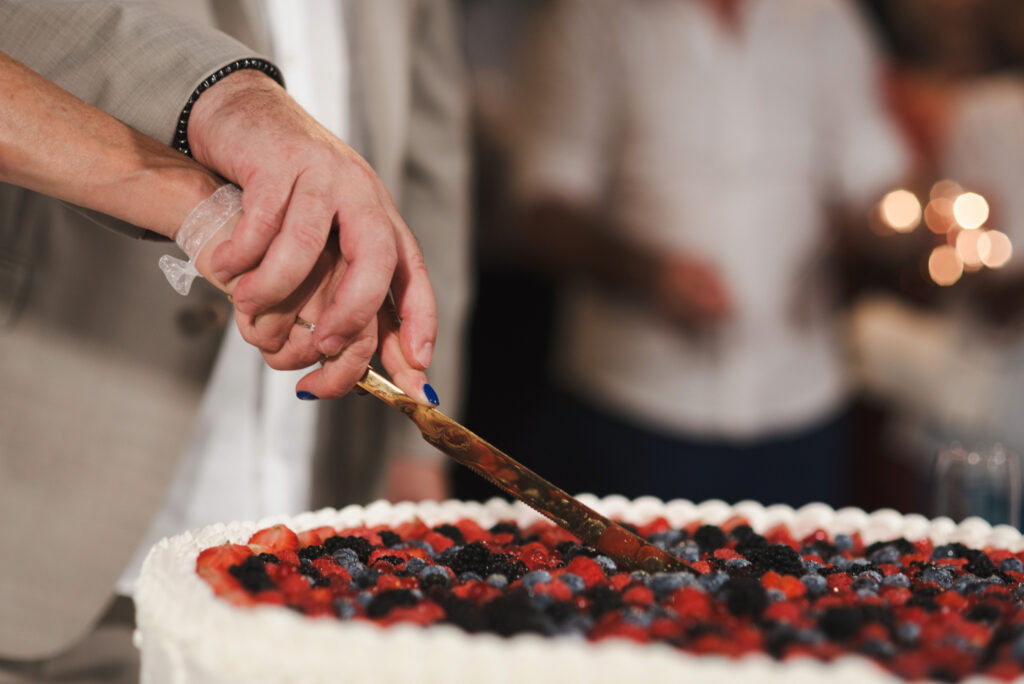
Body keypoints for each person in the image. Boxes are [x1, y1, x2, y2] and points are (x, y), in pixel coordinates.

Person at [0, 0, 461, 677]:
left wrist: (410, 439)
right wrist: (225, 105)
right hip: (50, 494)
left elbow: (431, 163)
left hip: (312, 524)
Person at [511, 0, 909, 507]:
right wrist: (647, 273)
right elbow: (542, 210)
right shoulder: (591, 19)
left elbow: (874, 178)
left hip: (802, 399)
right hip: (637, 401)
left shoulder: (828, 18)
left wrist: (891, 227)